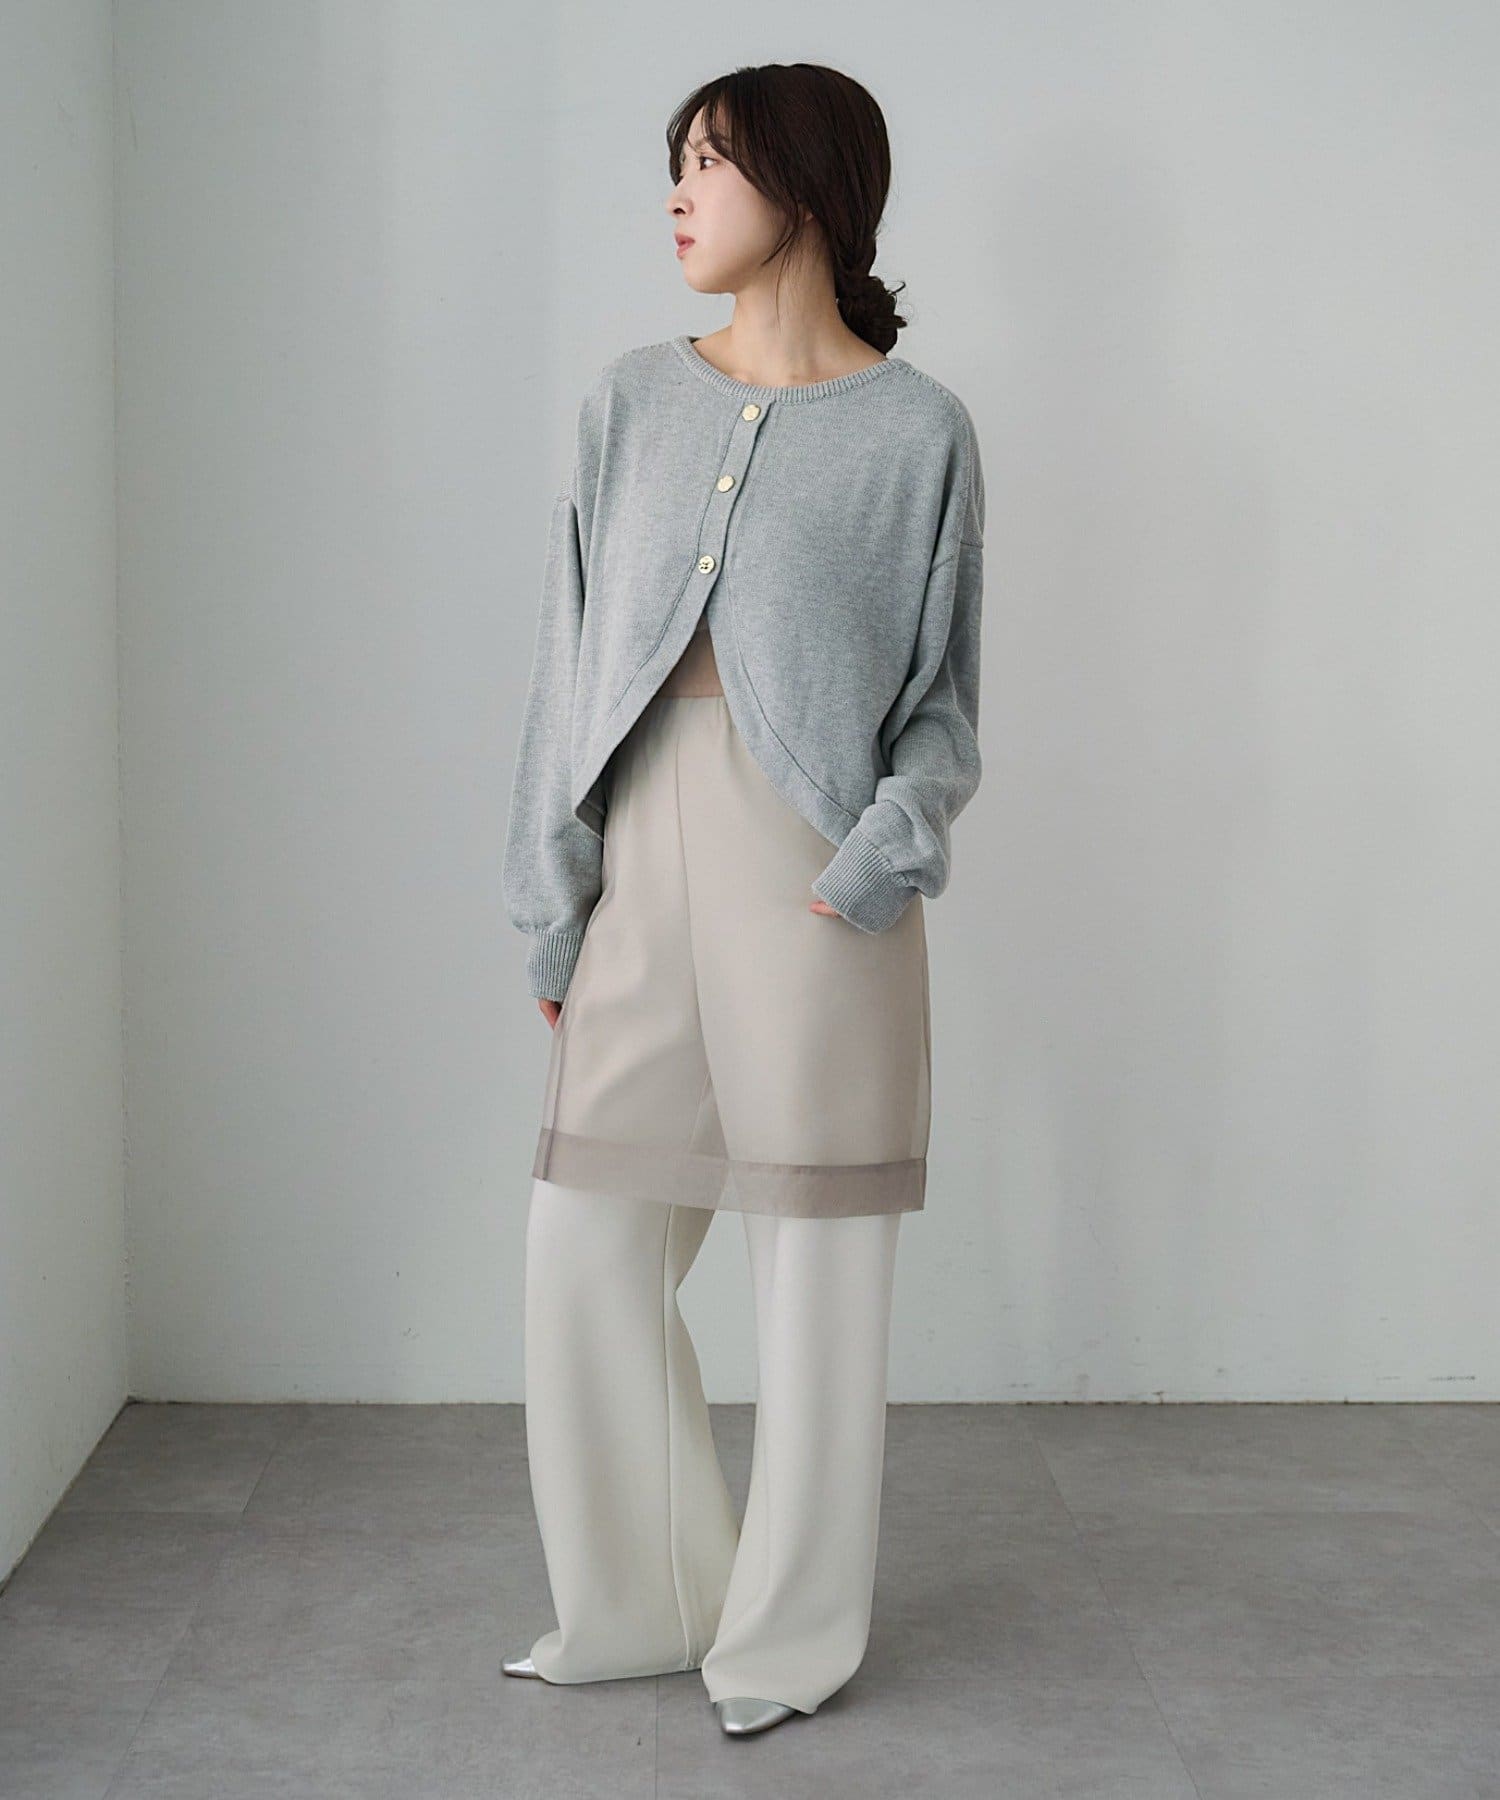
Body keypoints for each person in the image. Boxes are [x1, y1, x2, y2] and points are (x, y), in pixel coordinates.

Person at [500, 62, 986, 1739]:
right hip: (641, 859)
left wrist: (881, 855)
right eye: (678, 163)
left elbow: (941, 704)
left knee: (818, 1281)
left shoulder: (919, 431)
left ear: (806, 182)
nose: (678, 193)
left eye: (709, 162)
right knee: (586, 1245)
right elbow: (569, 668)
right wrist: (557, 898)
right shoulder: (631, 403)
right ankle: (641, 1603)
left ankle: (784, 1643)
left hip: (818, 887)